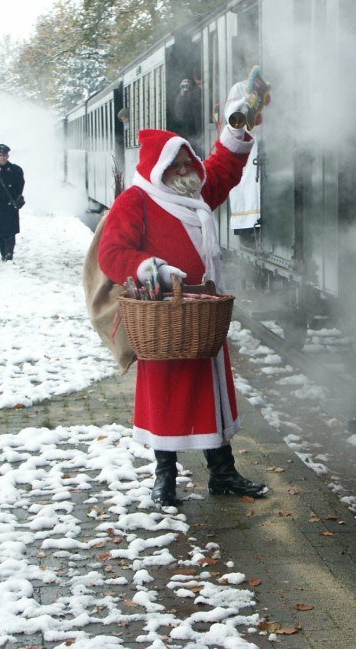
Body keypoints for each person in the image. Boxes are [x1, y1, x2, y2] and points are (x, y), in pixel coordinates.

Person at [97, 85, 267, 507]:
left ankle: (222, 473)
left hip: (202, 316)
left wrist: (236, 123)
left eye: (189, 161)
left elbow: (224, 167)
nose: (187, 169)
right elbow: (112, 253)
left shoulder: (194, 195)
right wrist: (150, 267)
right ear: (158, 168)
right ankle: (165, 476)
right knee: (166, 396)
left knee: (211, 392)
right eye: (178, 164)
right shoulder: (136, 200)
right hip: (164, 319)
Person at [0, 143, 25, 261]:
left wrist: (17, 198)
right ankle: (3, 252)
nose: (2, 157)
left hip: (9, 204)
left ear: (8, 156)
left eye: (4, 155)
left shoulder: (15, 170)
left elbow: (20, 186)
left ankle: (9, 253)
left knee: (10, 231)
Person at [174, 69, 203, 157]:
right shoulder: (191, 95)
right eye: (199, 84)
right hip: (195, 136)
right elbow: (181, 114)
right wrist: (182, 94)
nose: (202, 87)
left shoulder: (214, 91)